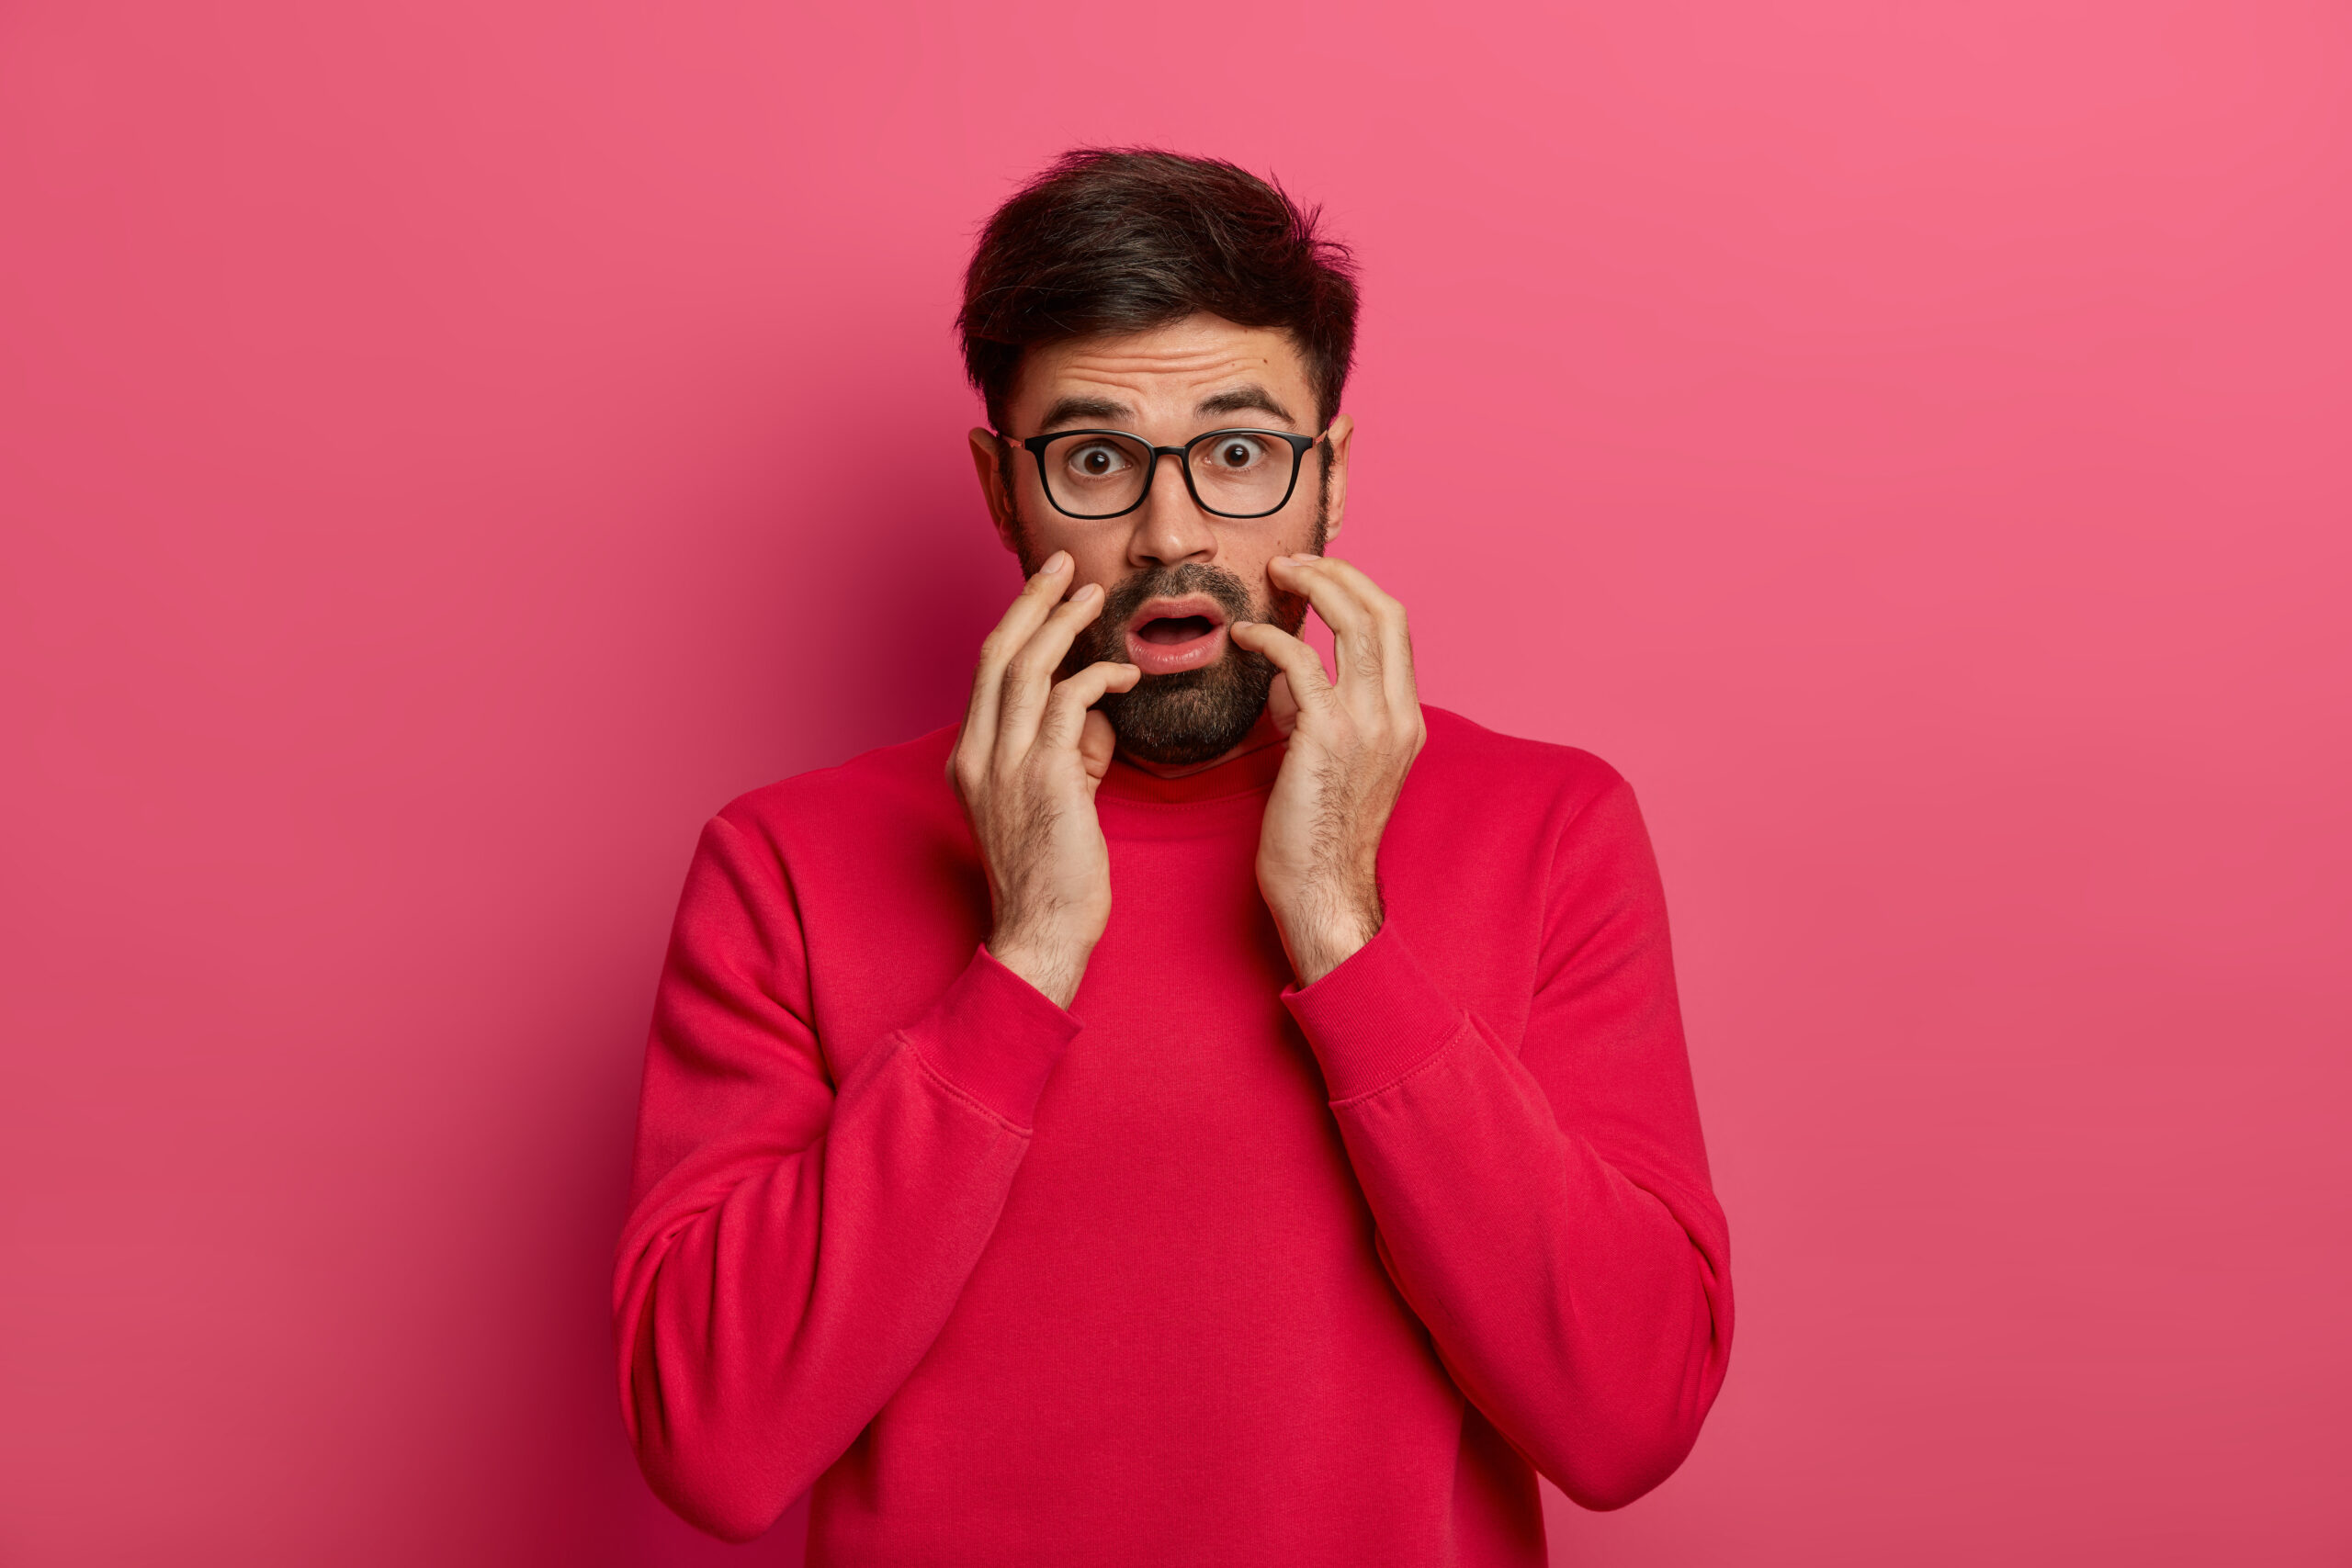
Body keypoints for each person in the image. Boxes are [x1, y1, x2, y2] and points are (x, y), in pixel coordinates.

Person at [612, 148, 1733, 1566]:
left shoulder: (1552, 831)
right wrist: (1021, 960)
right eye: (1095, 461)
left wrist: (1337, 923)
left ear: (1331, 474)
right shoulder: (784, 863)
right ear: (1000, 490)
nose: (1174, 533)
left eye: (1241, 451)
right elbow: (714, 1449)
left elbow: (1626, 1423)